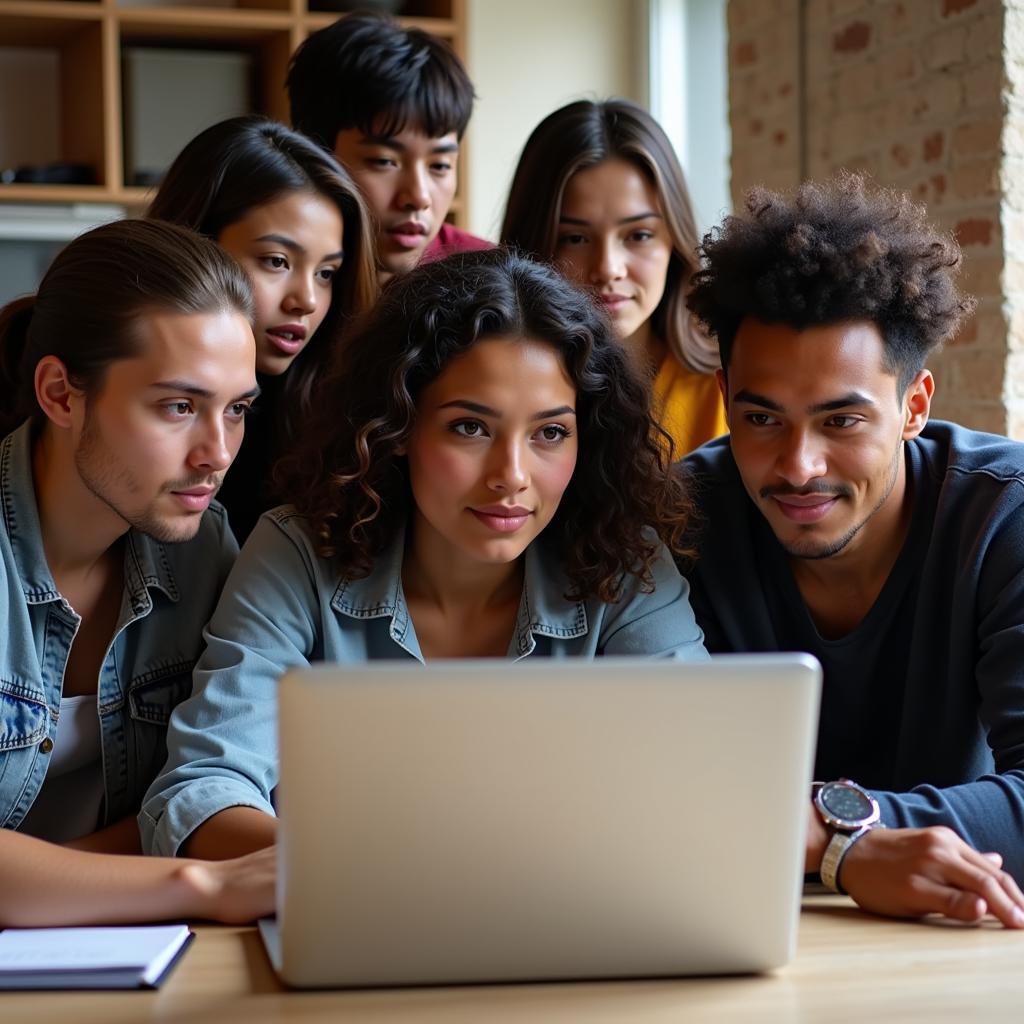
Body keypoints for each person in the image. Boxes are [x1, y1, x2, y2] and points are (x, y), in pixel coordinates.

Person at [141, 249, 708, 860]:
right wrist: (371, 875)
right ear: (399, 425)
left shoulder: (624, 562)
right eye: (470, 427)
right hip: (354, 921)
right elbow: (202, 792)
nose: (511, 476)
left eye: (550, 432)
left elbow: (706, 779)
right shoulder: (299, 551)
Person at [681, 172, 1024, 928]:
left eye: (841, 422)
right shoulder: (679, 522)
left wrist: (824, 827)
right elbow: (645, 794)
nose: (799, 466)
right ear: (726, 397)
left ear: (915, 407)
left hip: (956, 943)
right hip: (734, 931)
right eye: (762, 418)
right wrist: (845, 848)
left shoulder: (1003, 513)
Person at [0, 218, 275, 926]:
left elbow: (194, 789)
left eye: (237, 409)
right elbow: (185, 850)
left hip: (117, 947)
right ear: (61, 394)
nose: (216, 452)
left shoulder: (203, 549)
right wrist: (198, 885)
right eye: (178, 406)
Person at [147, 115, 378, 542]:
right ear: (196, 241)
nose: (306, 299)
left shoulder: (337, 418)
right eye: (277, 261)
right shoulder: (130, 391)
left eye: (326, 273)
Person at [501, 98, 726, 457]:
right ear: (531, 246)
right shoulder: (491, 387)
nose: (607, 267)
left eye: (638, 235)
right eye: (575, 239)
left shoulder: (727, 386)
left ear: (674, 241)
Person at [286, 11, 490, 282]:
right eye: (384, 161)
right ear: (313, 156)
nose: (418, 197)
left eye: (440, 165)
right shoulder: (267, 276)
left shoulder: (486, 283)